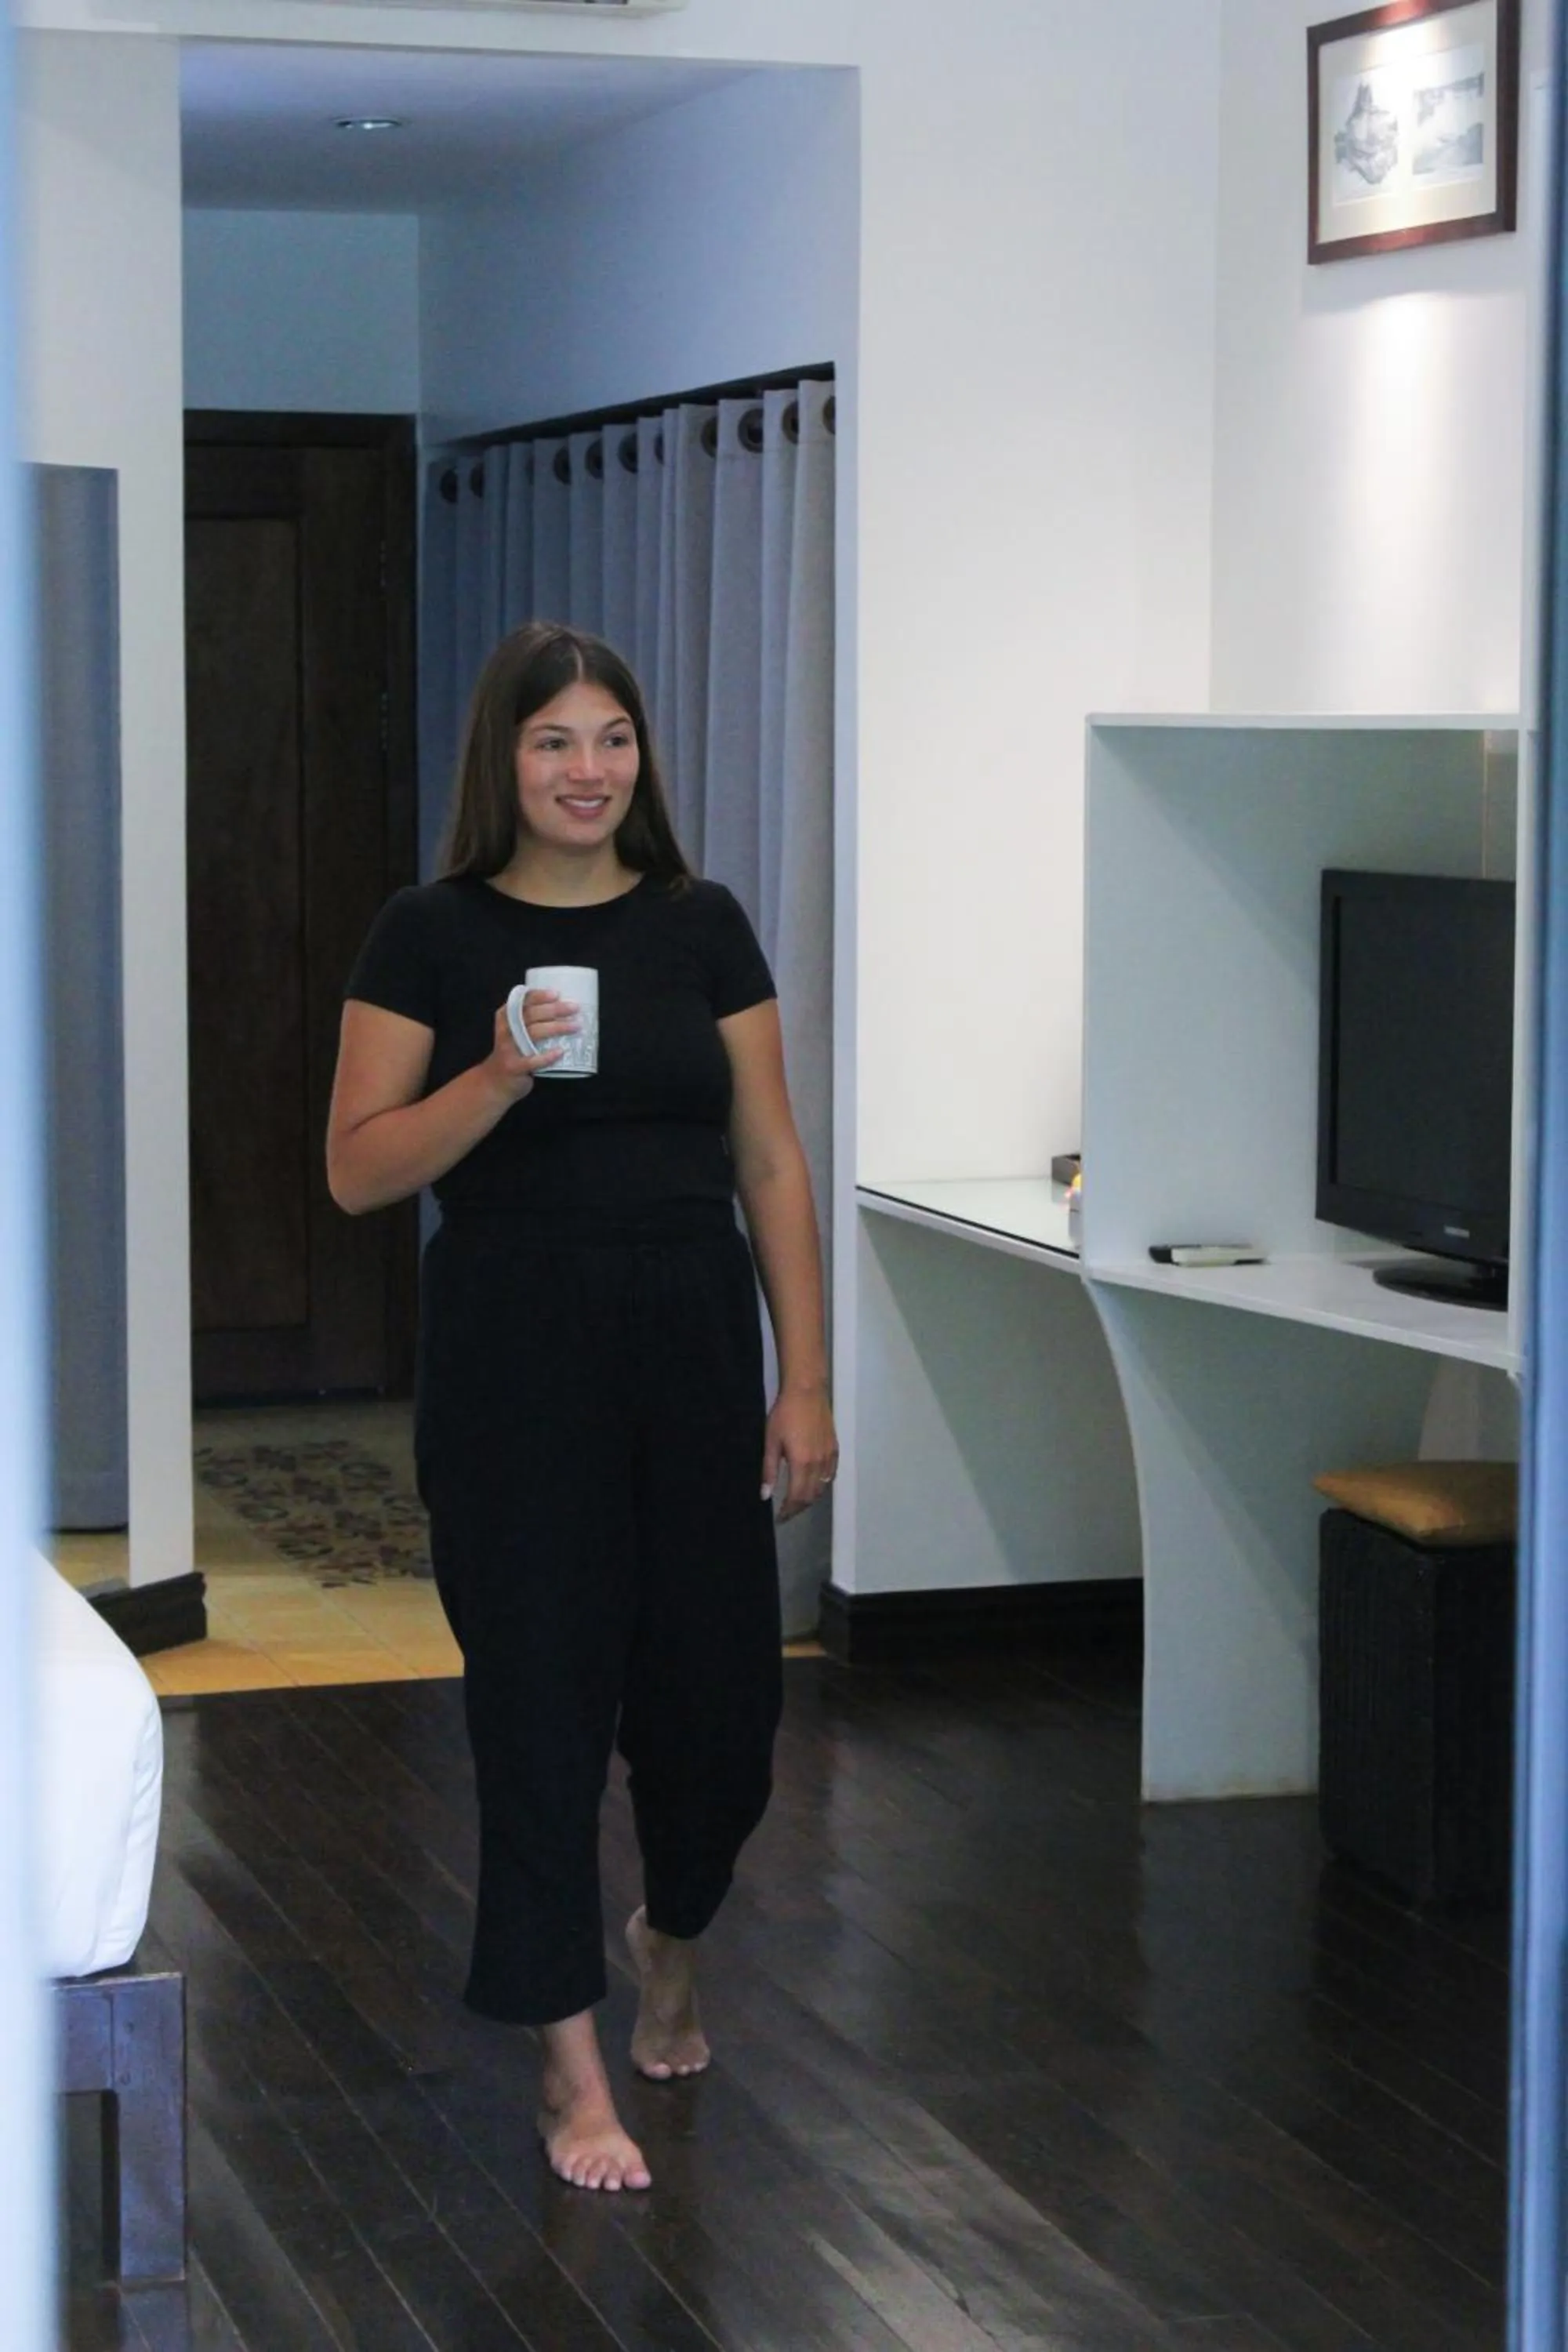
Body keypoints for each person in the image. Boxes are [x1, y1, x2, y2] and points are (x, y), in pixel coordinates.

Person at [326, 620, 837, 2196]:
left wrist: (806, 1379)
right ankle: (568, 2070)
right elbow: (356, 1171)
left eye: (612, 737)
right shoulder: (429, 933)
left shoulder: (703, 925)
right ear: (506, 758)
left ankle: (669, 1934)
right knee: (537, 1712)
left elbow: (770, 1160)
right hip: (514, 1355)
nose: (587, 768)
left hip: (691, 1340)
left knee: (721, 1714)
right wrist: (491, 1077)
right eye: (554, 740)